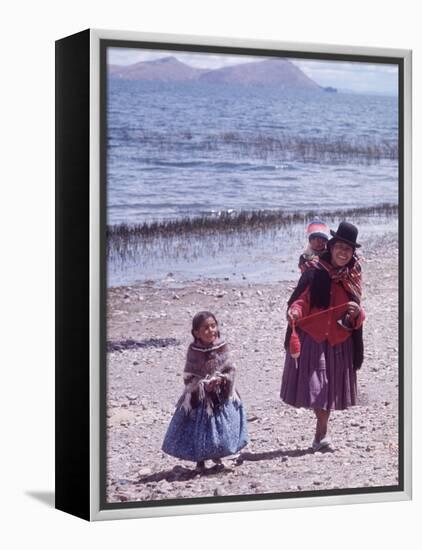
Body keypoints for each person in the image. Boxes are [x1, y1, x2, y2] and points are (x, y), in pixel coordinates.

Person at [280, 221, 365, 452]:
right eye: (340, 247)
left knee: (327, 390)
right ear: (332, 246)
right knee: (319, 389)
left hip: (338, 341)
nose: (343, 253)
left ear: (351, 253)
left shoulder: (353, 276)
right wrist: (296, 311)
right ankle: (321, 433)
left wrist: (357, 314)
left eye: (348, 250)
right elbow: (301, 299)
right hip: (314, 339)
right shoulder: (315, 271)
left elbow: (356, 317)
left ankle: (320, 434)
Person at [162, 311, 248, 471]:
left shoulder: (222, 347)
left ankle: (218, 454)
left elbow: (230, 369)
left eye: (213, 326)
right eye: (205, 328)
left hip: (219, 396)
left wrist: (221, 380)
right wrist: (201, 385)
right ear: (196, 332)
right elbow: (189, 375)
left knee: (221, 427)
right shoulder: (193, 350)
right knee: (198, 429)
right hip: (199, 398)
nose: (211, 330)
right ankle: (199, 461)